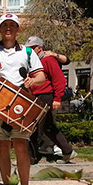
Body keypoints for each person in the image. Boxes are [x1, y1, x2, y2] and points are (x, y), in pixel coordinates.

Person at [0, 13, 45, 185]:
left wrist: (32, 82)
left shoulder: (28, 52)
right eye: (5, 25)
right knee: (2, 147)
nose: (8, 28)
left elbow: (41, 77)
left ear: (18, 29)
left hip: (20, 108)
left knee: (21, 145)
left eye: (12, 25)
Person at [23, 36, 76, 164]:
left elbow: (60, 79)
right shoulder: (33, 62)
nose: (28, 51)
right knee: (48, 127)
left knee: (34, 127)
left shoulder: (48, 60)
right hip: (38, 96)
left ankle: (30, 157)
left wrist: (57, 99)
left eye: (31, 48)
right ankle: (68, 151)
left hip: (45, 95)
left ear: (39, 48)